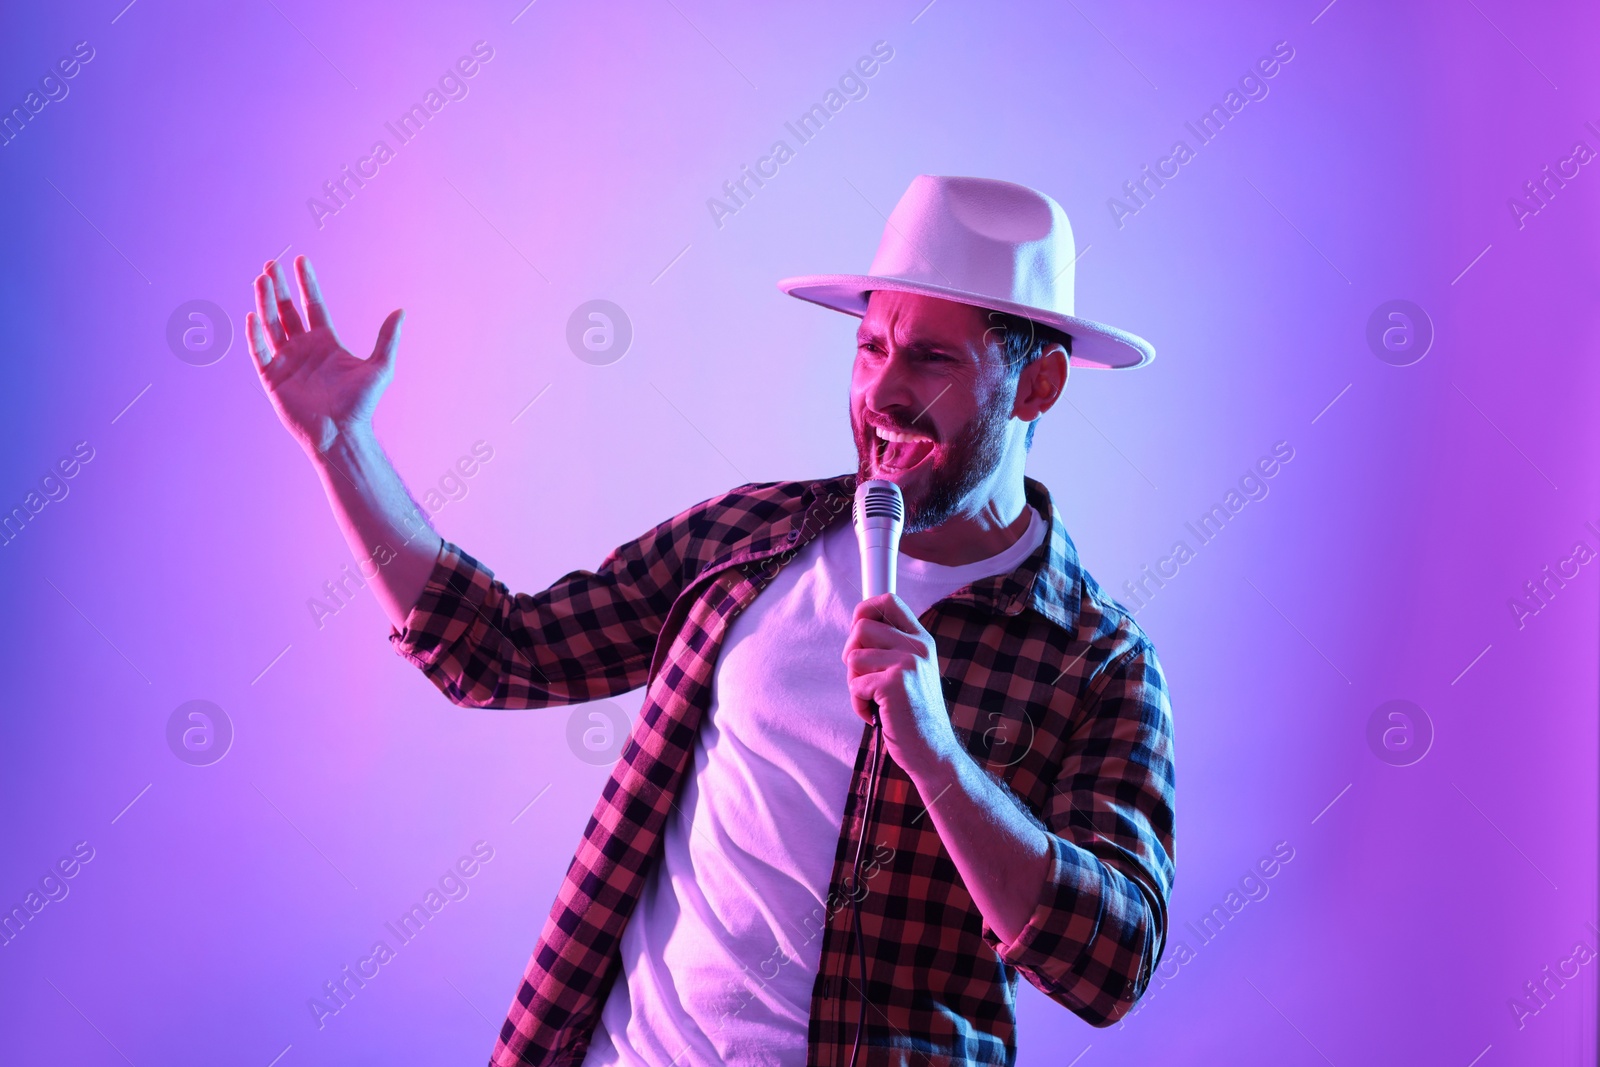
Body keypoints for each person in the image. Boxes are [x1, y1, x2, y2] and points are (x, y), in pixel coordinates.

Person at [246, 175, 1175, 1067]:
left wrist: (937, 756)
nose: (883, 394)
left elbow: (1109, 966)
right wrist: (343, 448)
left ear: (1039, 386)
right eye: (872, 347)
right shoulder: (748, 540)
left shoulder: (1098, 664)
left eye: (933, 357)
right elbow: (498, 650)